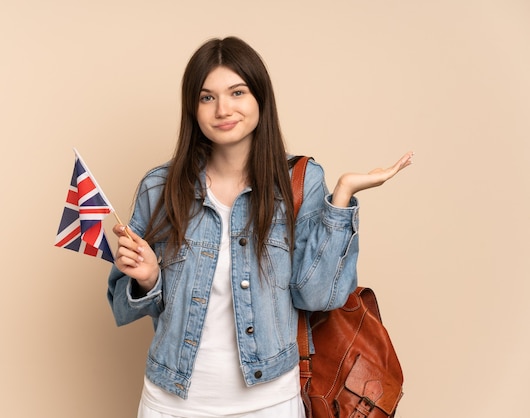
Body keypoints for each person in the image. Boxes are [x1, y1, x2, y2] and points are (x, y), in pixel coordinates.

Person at [107, 36, 413, 418]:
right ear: (192, 108)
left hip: (269, 403)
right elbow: (121, 305)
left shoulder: (299, 181)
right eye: (207, 97)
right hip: (172, 401)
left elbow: (317, 297)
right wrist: (149, 279)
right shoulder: (161, 187)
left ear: (259, 98)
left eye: (237, 92)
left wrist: (341, 197)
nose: (223, 109)